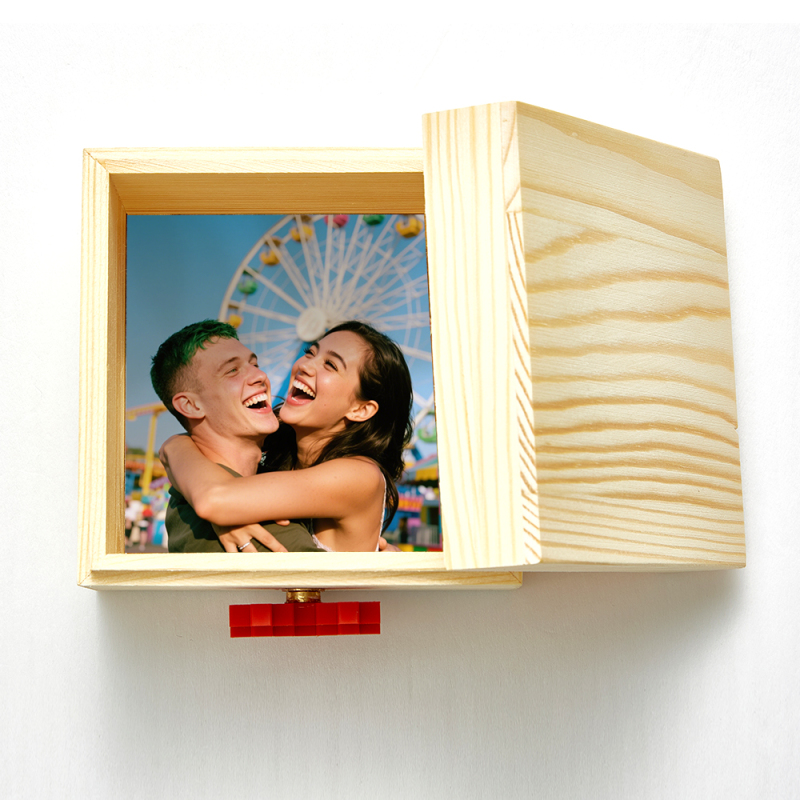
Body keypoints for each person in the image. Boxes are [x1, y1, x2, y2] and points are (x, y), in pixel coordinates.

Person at [156, 319, 413, 552]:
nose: (305, 365)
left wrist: (173, 448)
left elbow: (216, 499)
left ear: (360, 409)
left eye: (331, 365)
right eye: (310, 352)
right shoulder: (278, 459)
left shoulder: (359, 476)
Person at [150, 319, 319, 553]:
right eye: (232, 370)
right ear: (190, 405)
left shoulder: (184, 493)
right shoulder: (270, 533)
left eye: (255, 364)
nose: (260, 375)